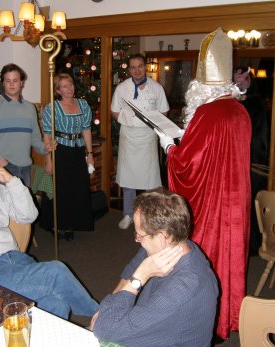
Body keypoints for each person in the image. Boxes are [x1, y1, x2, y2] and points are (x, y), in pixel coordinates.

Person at [156, 28, 251, 341]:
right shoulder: (239, 111)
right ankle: (226, 318)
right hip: (235, 205)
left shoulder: (207, 114)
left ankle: (204, 323)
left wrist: (169, 145)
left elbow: (187, 166)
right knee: (230, 258)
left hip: (210, 205)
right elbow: (217, 155)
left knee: (205, 259)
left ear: (199, 85)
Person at [0, 136, 98, 320]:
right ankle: (104, 317)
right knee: (55, 272)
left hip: (16, 259)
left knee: (58, 304)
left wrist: (11, 181)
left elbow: (29, 215)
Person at [91, 188, 218, 347]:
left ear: (161, 237)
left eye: (139, 235)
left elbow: (104, 328)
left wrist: (141, 275)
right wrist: (106, 311)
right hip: (148, 328)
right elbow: (128, 275)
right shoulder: (175, 245)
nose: (137, 239)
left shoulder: (185, 286)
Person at [111, 53, 170, 229]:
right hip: (128, 137)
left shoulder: (156, 88)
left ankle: (149, 217)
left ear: (145, 67)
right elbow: (115, 111)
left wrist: (152, 123)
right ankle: (128, 214)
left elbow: (164, 111)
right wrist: (128, 120)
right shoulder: (121, 88)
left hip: (147, 137)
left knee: (149, 180)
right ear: (129, 69)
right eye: (133, 67)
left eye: (140, 66)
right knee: (128, 178)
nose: (137, 70)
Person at [0, 63, 53, 187]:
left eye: (15, 80)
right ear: (3, 83)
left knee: (22, 206)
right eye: (8, 81)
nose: (12, 84)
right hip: (1, 168)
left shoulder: (30, 108)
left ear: (21, 82)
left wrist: (45, 148)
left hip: (25, 168)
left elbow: (35, 139)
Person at [42, 73, 94, 240]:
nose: (69, 88)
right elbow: (47, 134)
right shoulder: (52, 108)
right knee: (61, 190)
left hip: (78, 151)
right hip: (60, 151)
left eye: (70, 84)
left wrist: (90, 154)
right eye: (64, 86)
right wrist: (48, 159)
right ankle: (57, 224)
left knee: (78, 188)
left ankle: (72, 223)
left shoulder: (83, 104)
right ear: (58, 90)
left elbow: (86, 130)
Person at [233, 66, 270, 255]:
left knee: (252, 205)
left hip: (253, 163)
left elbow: (256, 136)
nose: (240, 84)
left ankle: (253, 244)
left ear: (249, 81)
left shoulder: (255, 103)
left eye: (243, 81)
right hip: (238, 162)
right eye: (236, 81)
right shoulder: (233, 102)